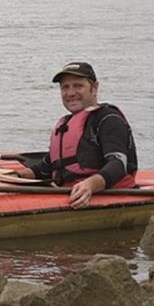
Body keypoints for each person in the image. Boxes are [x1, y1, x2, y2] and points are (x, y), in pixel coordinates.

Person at [19, 61, 138, 209]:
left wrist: (90, 185)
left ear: (94, 88)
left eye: (78, 86)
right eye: (65, 87)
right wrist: (15, 176)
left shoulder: (108, 119)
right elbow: (45, 168)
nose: (70, 93)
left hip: (107, 193)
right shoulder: (66, 124)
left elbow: (118, 165)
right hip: (68, 189)